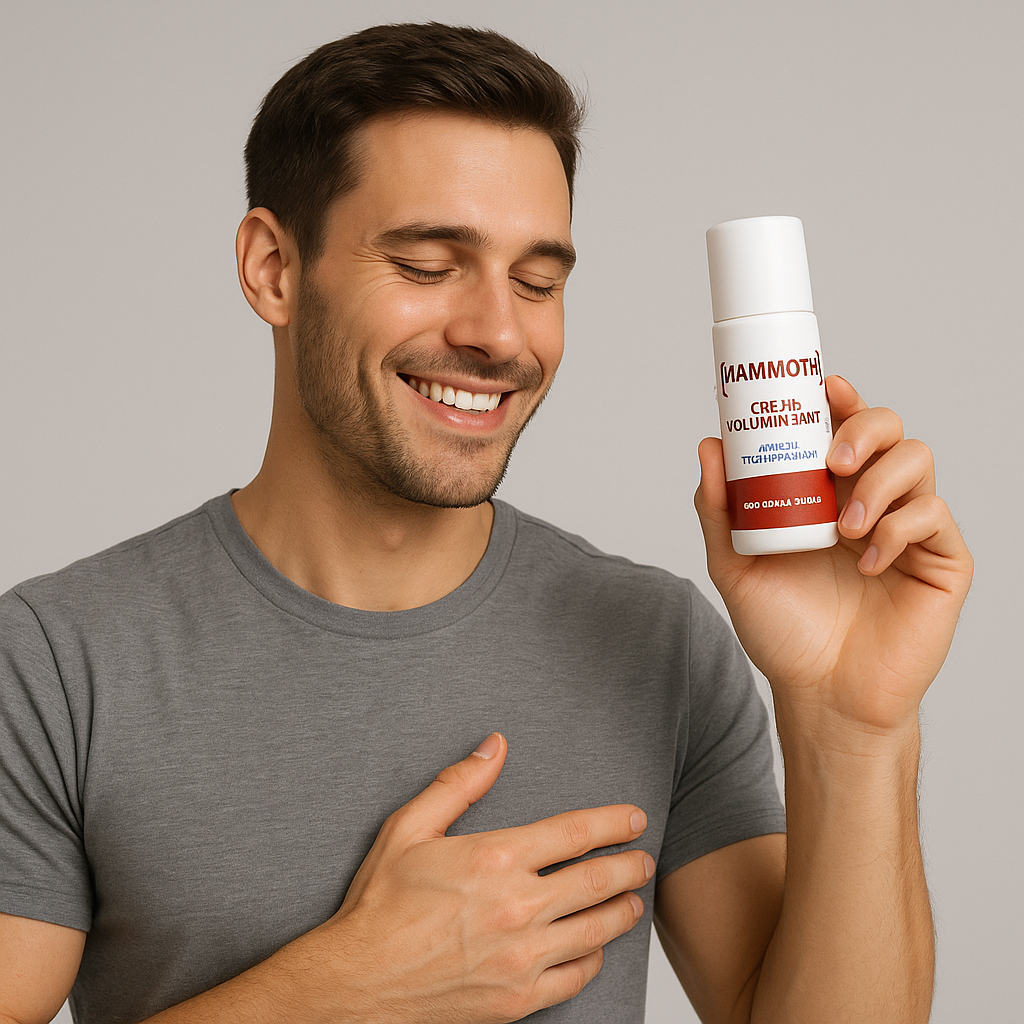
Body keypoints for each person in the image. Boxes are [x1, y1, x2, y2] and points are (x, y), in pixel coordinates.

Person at [0, 22, 972, 1024]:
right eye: (428, 264)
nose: (499, 333)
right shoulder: (57, 664)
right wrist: (342, 987)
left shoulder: (660, 644)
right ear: (274, 268)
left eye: (538, 282)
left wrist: (855, 723)